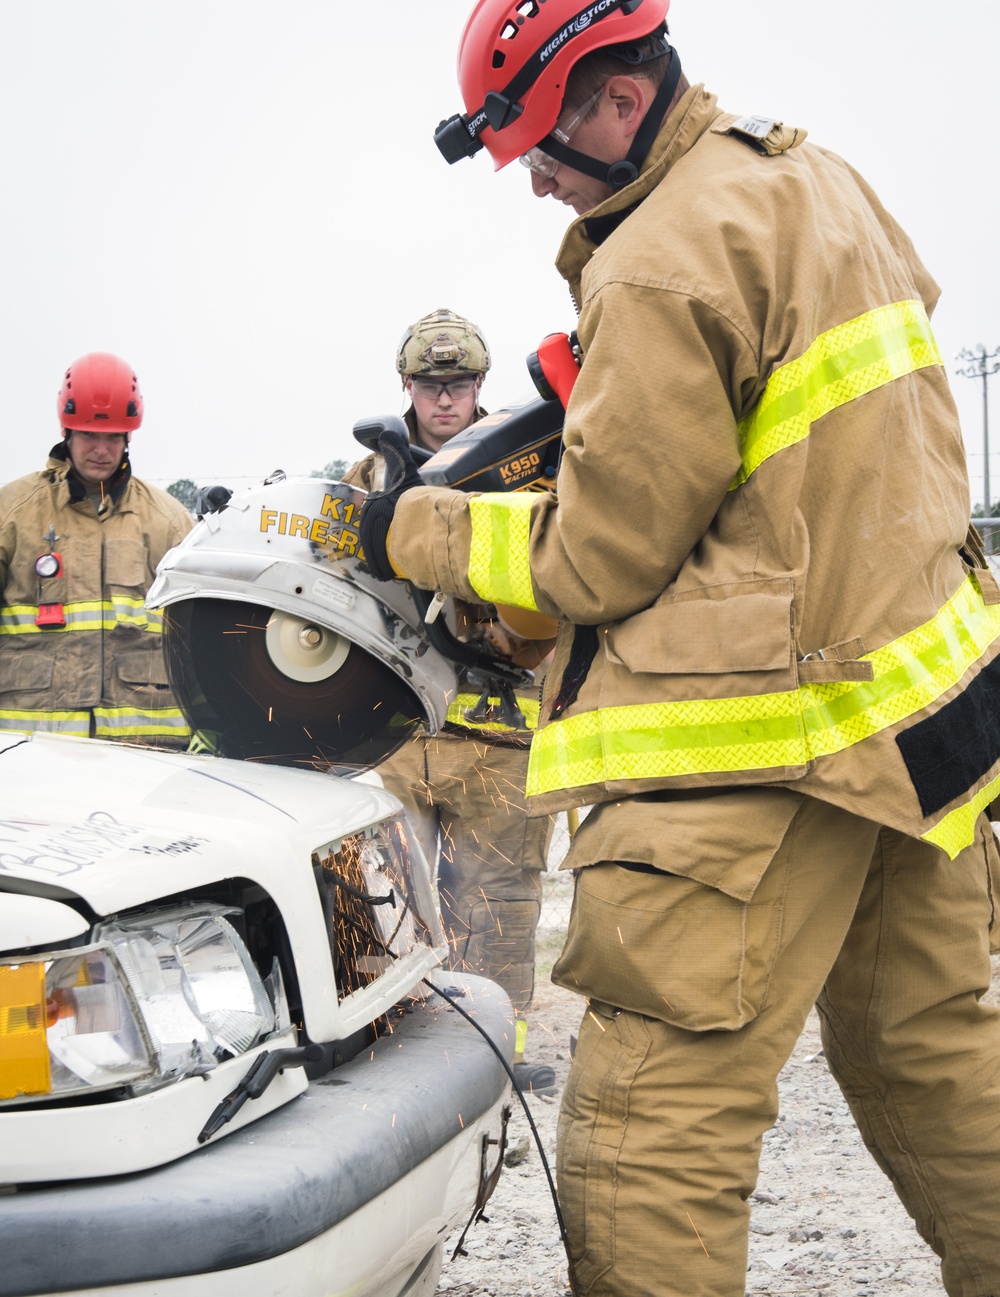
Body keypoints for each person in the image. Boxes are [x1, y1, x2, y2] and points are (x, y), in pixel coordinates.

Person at [356, 3, 1000, 1294]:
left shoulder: (658, 255)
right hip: (919, 726)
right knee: (940, 1069)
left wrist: (414, 527)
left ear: (614, 100)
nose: (531, 177)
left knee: (652, 1129)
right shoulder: (816, 178)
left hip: (751, 754)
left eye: (539, 145)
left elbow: (599, 560)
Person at [345, 308, 557, 1094]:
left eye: (459, 384)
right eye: (431, 385)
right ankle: (381, 1047)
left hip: (499, 730)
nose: (445, 400)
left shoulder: (525, 463)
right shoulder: (368, 475)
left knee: (498, 900)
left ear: (481, 387)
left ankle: (495, 1048)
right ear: (406, 386)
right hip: (397, 732)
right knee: (380, 892)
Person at [0, 352, 193, 748]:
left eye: (112, 437)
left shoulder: (169, 522)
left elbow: (200, 637)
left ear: (128, 438)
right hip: (28, 752)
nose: (101, 450)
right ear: (66, 431)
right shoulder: (12, 514)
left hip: (147, 754)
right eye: (89, 435)